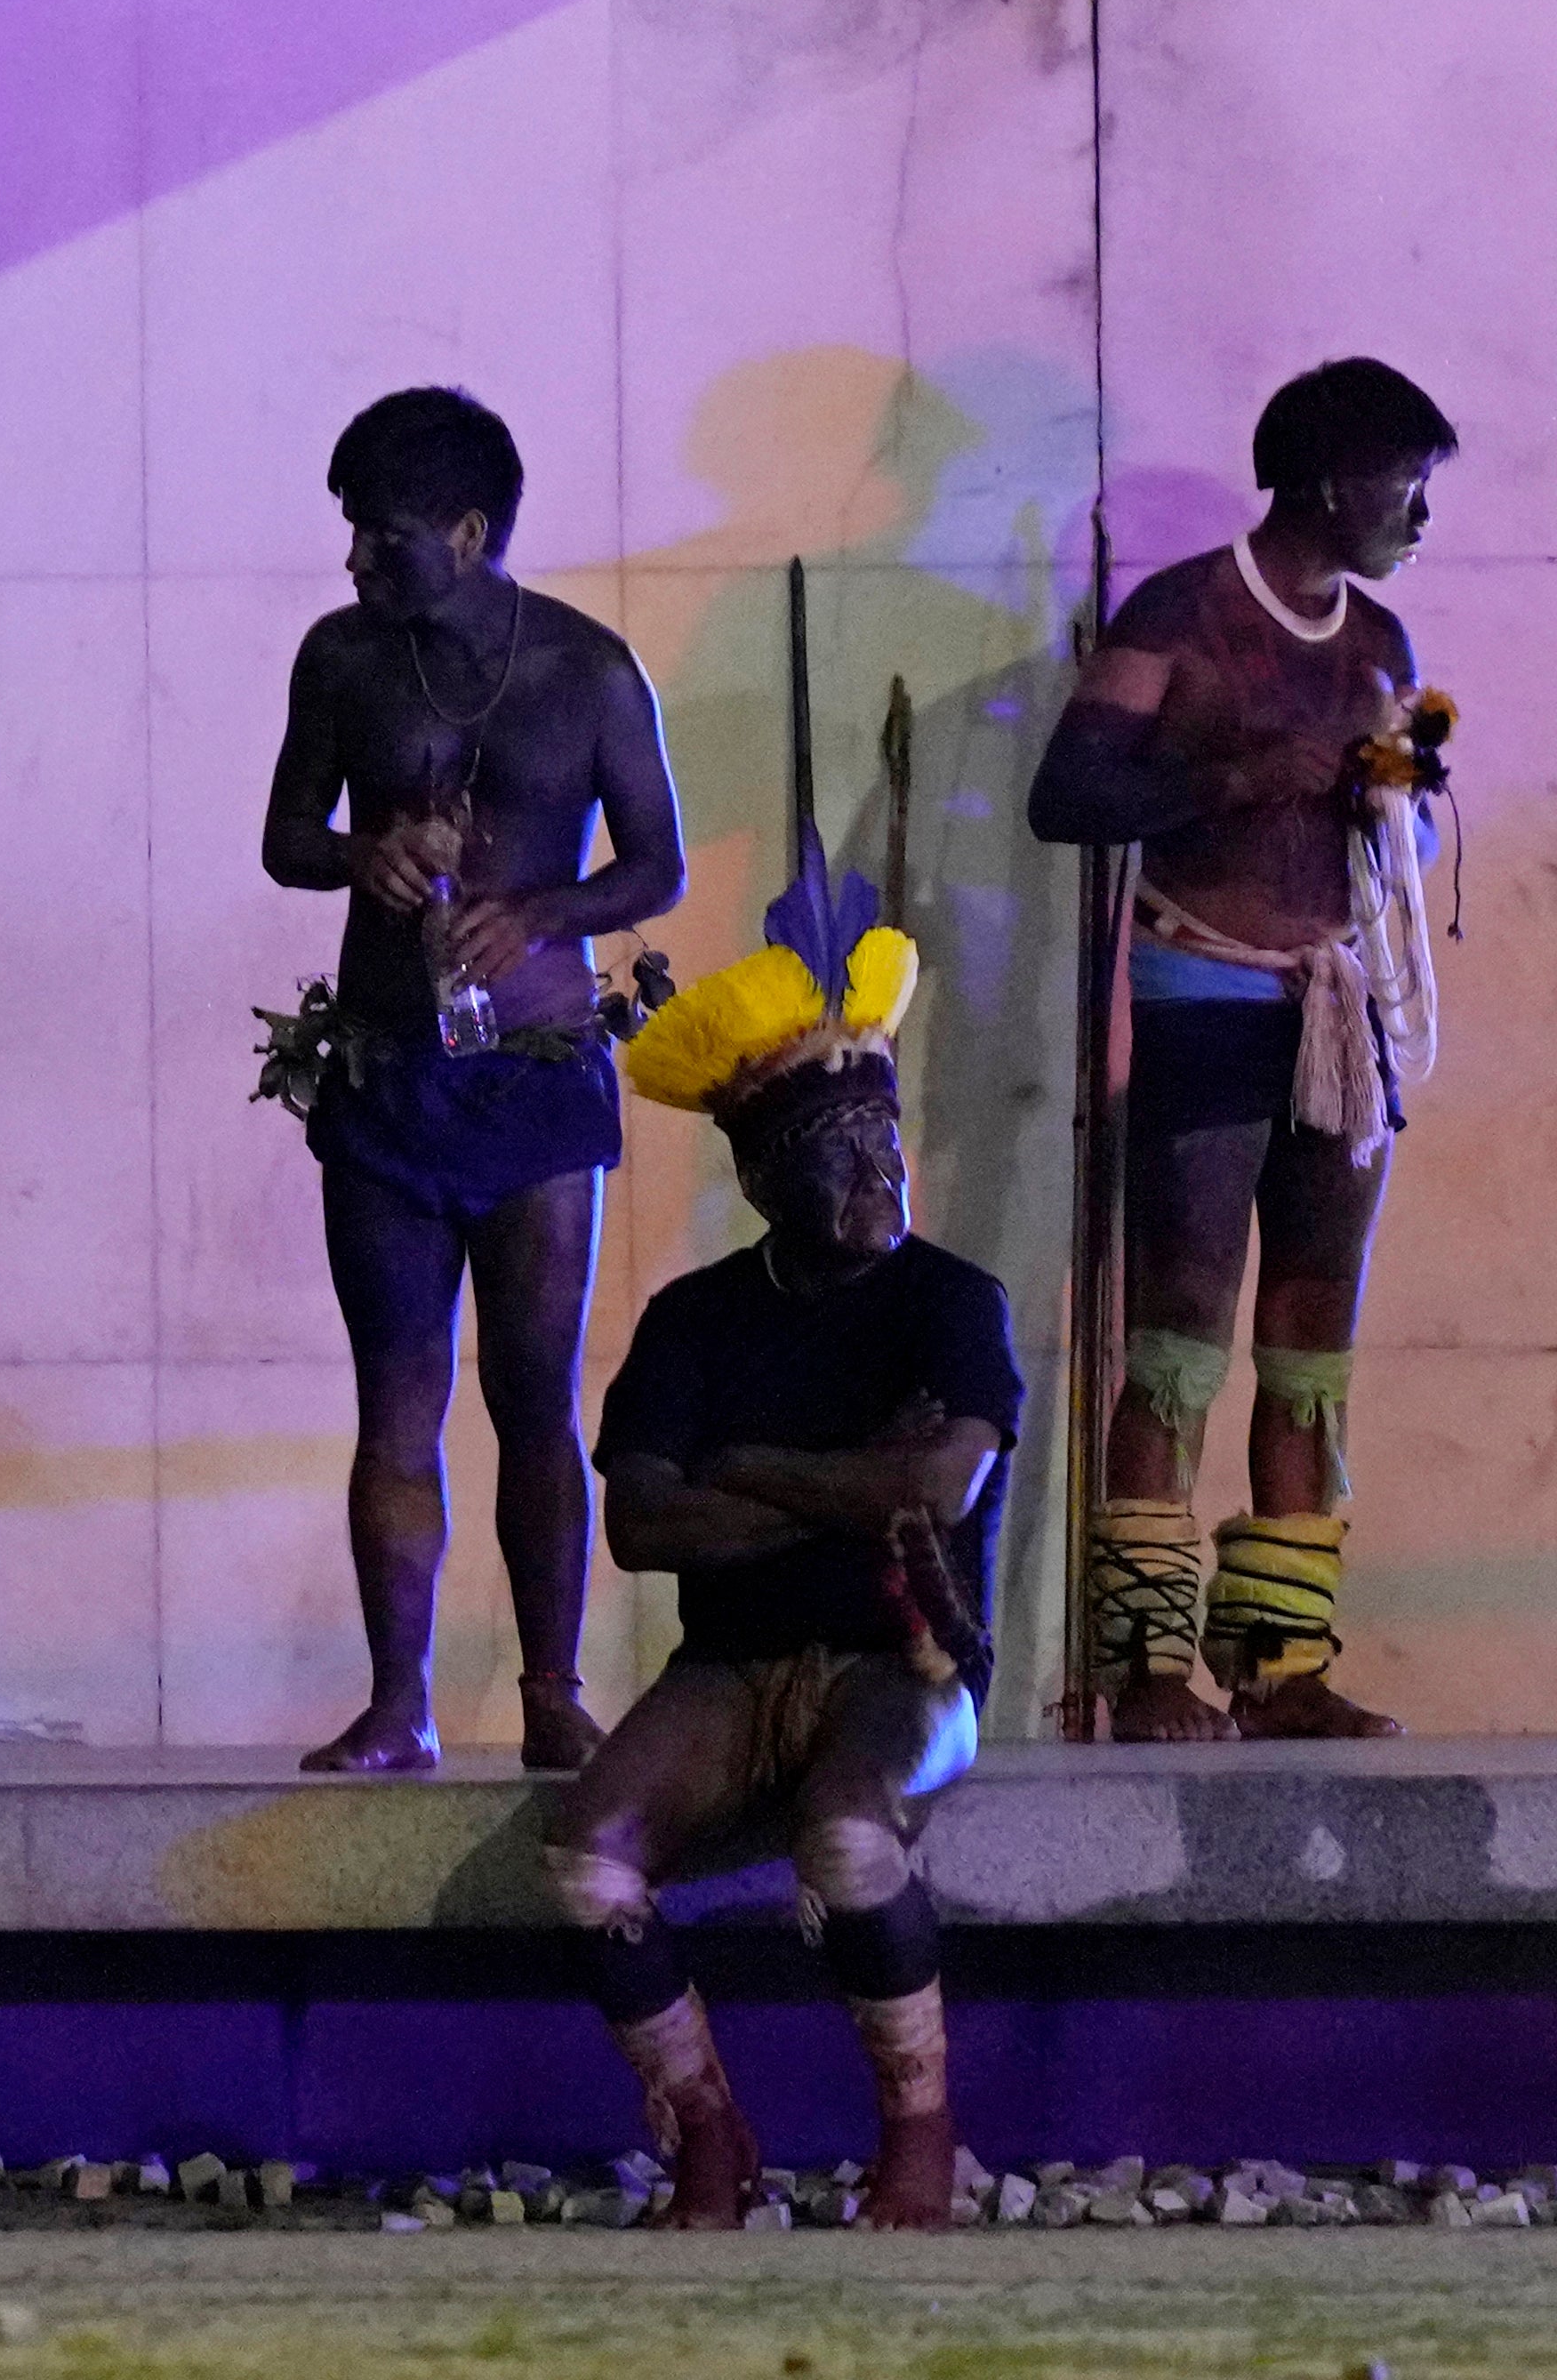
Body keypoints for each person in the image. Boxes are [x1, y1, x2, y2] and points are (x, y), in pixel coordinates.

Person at [545, 920, 1012, 2231]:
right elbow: (640, 1526)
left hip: (906, 1658)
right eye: (839, 1153)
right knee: (586, 1861)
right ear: (759, 1178)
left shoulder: (952, 1301)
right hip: (731, 1669)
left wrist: (747, 1466)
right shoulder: (693, 1320)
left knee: (852, 1833)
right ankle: (708, 2130)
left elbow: (935, 1493)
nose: (883, 1171)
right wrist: (849, 1484)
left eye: (888, 1138)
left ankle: (918, 2138)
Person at [257, 388, 686, 1777]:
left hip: (538, 1079)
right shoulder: (340, 661)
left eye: (381, 538)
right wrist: (356, 853)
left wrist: (545, 913)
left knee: (534, 1393)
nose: (357, 563)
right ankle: (400, 1707)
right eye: (350, 535)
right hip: (387, 1078)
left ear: (470, 530)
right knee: (397, 1399)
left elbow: (658, 866)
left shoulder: (588, 670)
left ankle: (554, 1691)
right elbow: (283, 836)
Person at [1029, 357, 1455, 1741]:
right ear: (1334, 481)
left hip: (1343, 1010)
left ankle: (1281, 1668)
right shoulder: (1183, 611)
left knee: (1311, 1344)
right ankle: (1150, 1661)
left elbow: (1408, 805)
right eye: (1409, 484)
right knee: (1178, 1336)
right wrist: (1226, 777)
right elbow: (1071, 791)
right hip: (1208, 987)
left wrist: (1398, 783)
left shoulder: (1383, 640)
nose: (1419, 515)